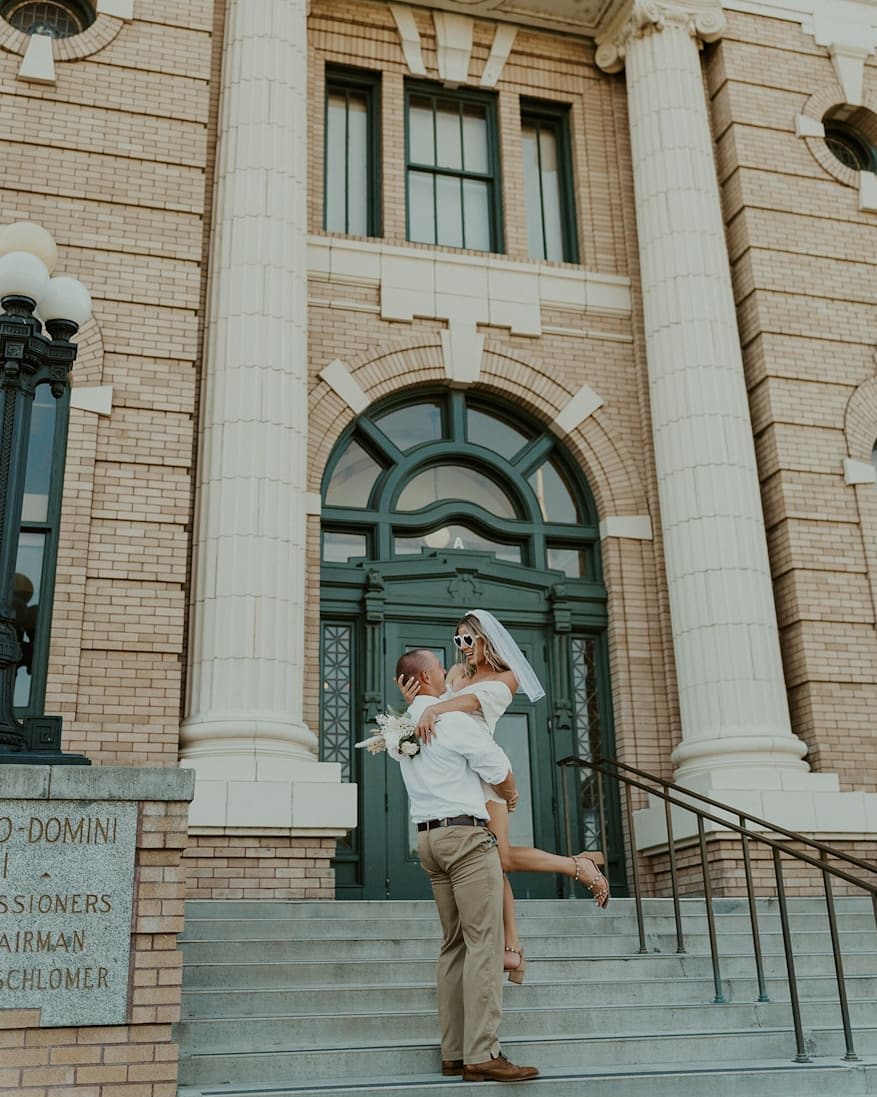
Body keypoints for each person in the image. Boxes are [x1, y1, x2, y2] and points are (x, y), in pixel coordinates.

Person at [399, 609, 609, 983]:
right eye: (457, 640)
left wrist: (434, 708)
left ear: (485, 640)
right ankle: (512, 948)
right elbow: (435, 702)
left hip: (487, 772)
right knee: (494, 862)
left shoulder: (505, 679)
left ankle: (577, 867)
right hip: (459, 775)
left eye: (468, 639)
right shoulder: (457, 674)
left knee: (505, 858)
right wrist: (416, 700)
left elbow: (471, 705)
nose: (462, 648)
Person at [391, 647, 539, 1084]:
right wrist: (510, 796)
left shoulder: (402, 728)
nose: (448, 674)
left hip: (429, 842)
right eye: (440, 669)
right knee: (484, 943)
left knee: (453, 944)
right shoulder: (451, 720)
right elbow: (499, 767)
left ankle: (454, 1051)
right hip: (466, 840)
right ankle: (483, 1053)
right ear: (427, 678)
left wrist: (415, 702)